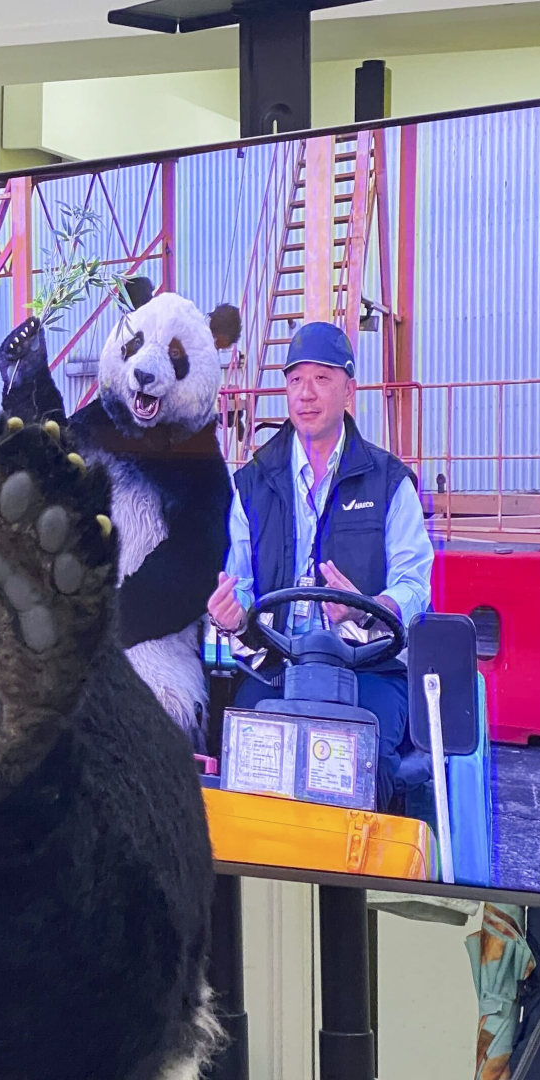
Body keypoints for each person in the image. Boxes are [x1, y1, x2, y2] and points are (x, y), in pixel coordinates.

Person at [205, 320, 435, 808]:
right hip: (276, 667)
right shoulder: (250, 485)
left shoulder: (390, 483)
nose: (306, 394)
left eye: (322, 379)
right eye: (295, 380)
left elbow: (415, 587)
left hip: (368, 668)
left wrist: (370, 607)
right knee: (240, 770)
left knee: (365, 774)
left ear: (348, 390)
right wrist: (232, 611)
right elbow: (242, 584)